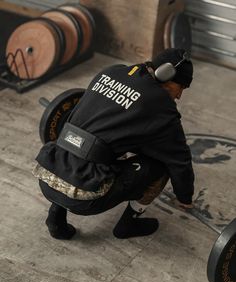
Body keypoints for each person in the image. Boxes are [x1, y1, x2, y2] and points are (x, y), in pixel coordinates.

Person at [33, 48, 195, 240]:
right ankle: (129, 224)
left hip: (47, 176)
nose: (179, 97)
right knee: (162, 165)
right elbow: (180, 161)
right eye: (181, 88)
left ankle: (55, 220)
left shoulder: (111, 72)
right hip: (85, 199)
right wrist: (185, 197)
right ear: (167, 74)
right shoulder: (163, 109)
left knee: (81, 149)